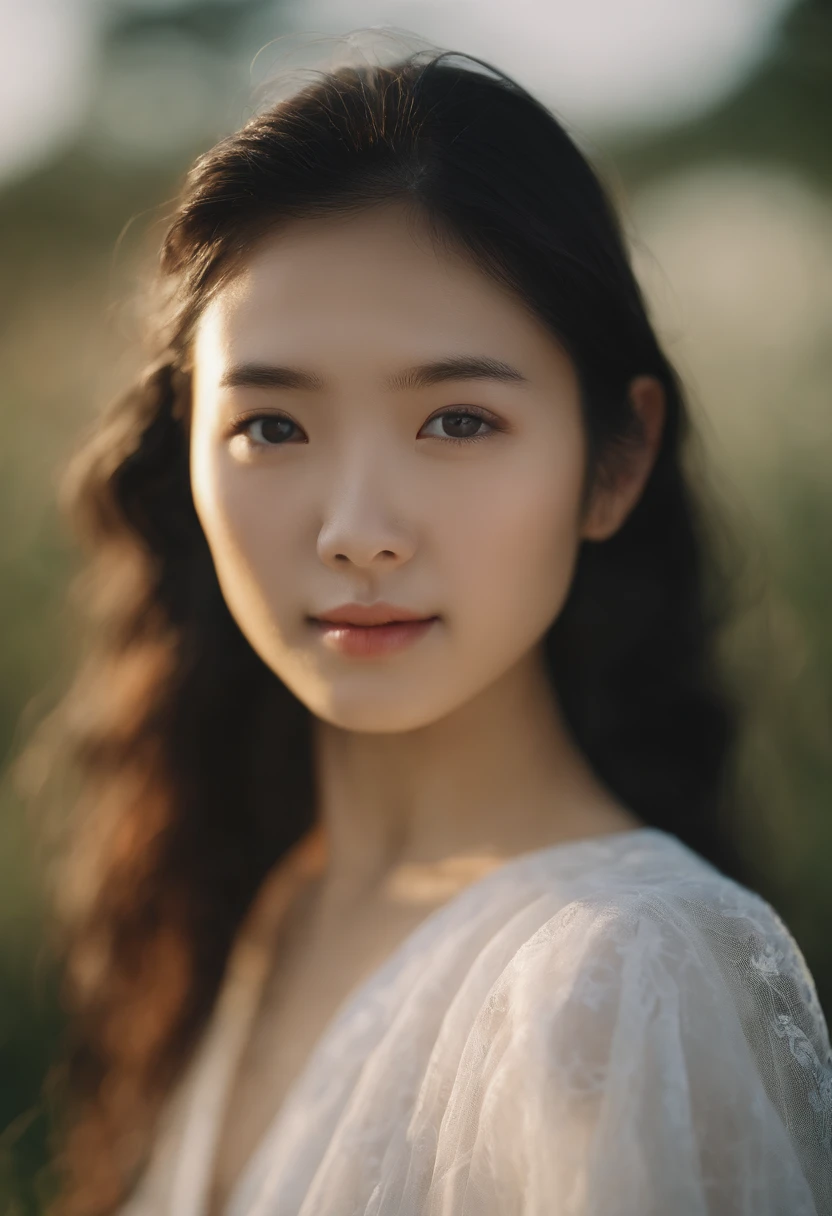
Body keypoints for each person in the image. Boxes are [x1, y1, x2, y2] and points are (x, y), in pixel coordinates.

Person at [22, 35, 831, 1216]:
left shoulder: (614, 977)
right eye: (274, 428)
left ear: (615, 460)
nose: (357, 530)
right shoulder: (259, 892)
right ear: (185, 452)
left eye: (456, 421)